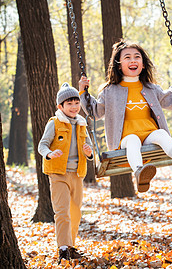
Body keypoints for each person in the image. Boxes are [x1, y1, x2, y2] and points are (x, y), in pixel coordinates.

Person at [78, 40, 172, 193]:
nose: (133, 60)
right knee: (132, 140)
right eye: (127, 57)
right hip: (124, 139)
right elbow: (96, 112)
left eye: (137, 57)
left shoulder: (151, 88)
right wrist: (83, 93)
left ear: (143, 64)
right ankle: (140, 173)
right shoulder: (110, 91)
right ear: (119, 65)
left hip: (149, 135)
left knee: (162, 134)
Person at [38, 83, 93, 263]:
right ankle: (63, 249)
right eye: (69, 103)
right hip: (58, 174)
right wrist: (49, 154)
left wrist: (89, 152)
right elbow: (42, 145)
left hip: (77, 174)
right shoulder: (54, 123)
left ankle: (71, 247)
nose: (74, 107)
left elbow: (90, 148)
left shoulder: (82, 124)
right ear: (60, 106)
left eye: (76, 103)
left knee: (75, 213)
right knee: (62, 212)